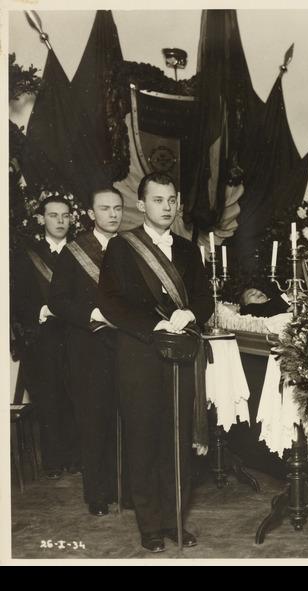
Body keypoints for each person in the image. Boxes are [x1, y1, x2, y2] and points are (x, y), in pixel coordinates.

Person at [98, 173, 213, 552]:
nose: (166, 207)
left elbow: (204, 299)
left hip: (180, 356)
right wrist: (155, 324)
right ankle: (149, 524)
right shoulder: (121, 247)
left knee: (177, 440)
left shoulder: (188, 250)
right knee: (145, 438)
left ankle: (172, 520)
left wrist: (191, 315)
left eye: (171, 200)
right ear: (142, 204)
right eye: (158, 200)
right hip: (140, 354)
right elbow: (112, 303)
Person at [49, 188, 124, 516]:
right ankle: (97, 494)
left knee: (125, 421)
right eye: (105, 209)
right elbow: (58, 300)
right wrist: (93, 315)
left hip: (126, 347)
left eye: (118, 208)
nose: (113, 214)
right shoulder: (75, 251)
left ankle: (127, 490)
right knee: (94, 423)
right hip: (88, 349)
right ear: (91, 214)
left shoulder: (132, 247)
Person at [10, 195, 80, 479]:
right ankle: (53, 461)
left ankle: (76, 458)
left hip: (75, 336)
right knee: (48, 400)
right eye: (54, 216)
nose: (60, 221)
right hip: (42, 337)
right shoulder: (27, 255)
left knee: (74, 398)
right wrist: (40, 310)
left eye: (65, 216)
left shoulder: (80, 253)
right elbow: (16, 297)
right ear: (41, 219)